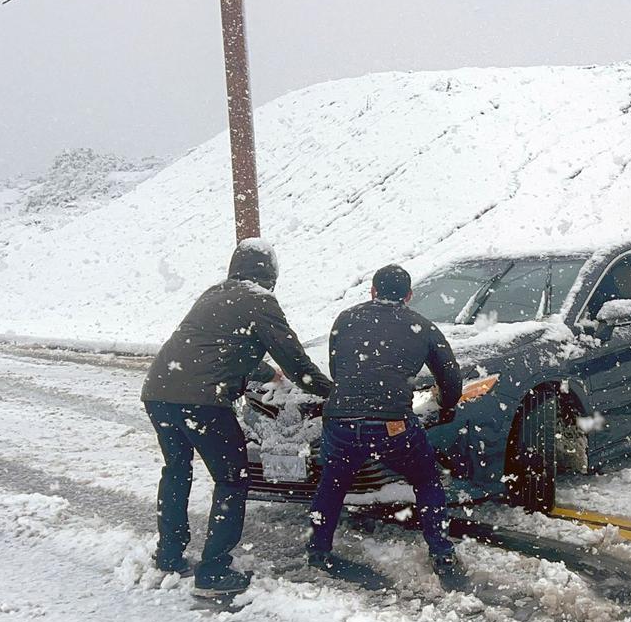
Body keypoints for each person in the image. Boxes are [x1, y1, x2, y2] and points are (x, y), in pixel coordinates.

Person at [141, 238, 333, 596]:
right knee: (232, 478)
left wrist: (267, 375)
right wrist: (333, 393)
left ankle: (169, 555)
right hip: (203, 401)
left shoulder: (214, 294)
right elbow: (296, 361)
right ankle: (213, 572)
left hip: (159, 391)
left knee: (177, 470)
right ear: (270, 274)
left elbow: (222, 348)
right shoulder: (260, 301)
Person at [308, 264, 464, 583]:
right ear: (409, 295)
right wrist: (446, 405)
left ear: (373, 291)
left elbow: (339, 370)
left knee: (333, 482)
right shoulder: (421, 326)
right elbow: (451, 379)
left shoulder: (345, 318)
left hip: (340, 419)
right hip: (392, 423)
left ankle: (318, 548)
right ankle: (440, 550)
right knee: (426, 479)